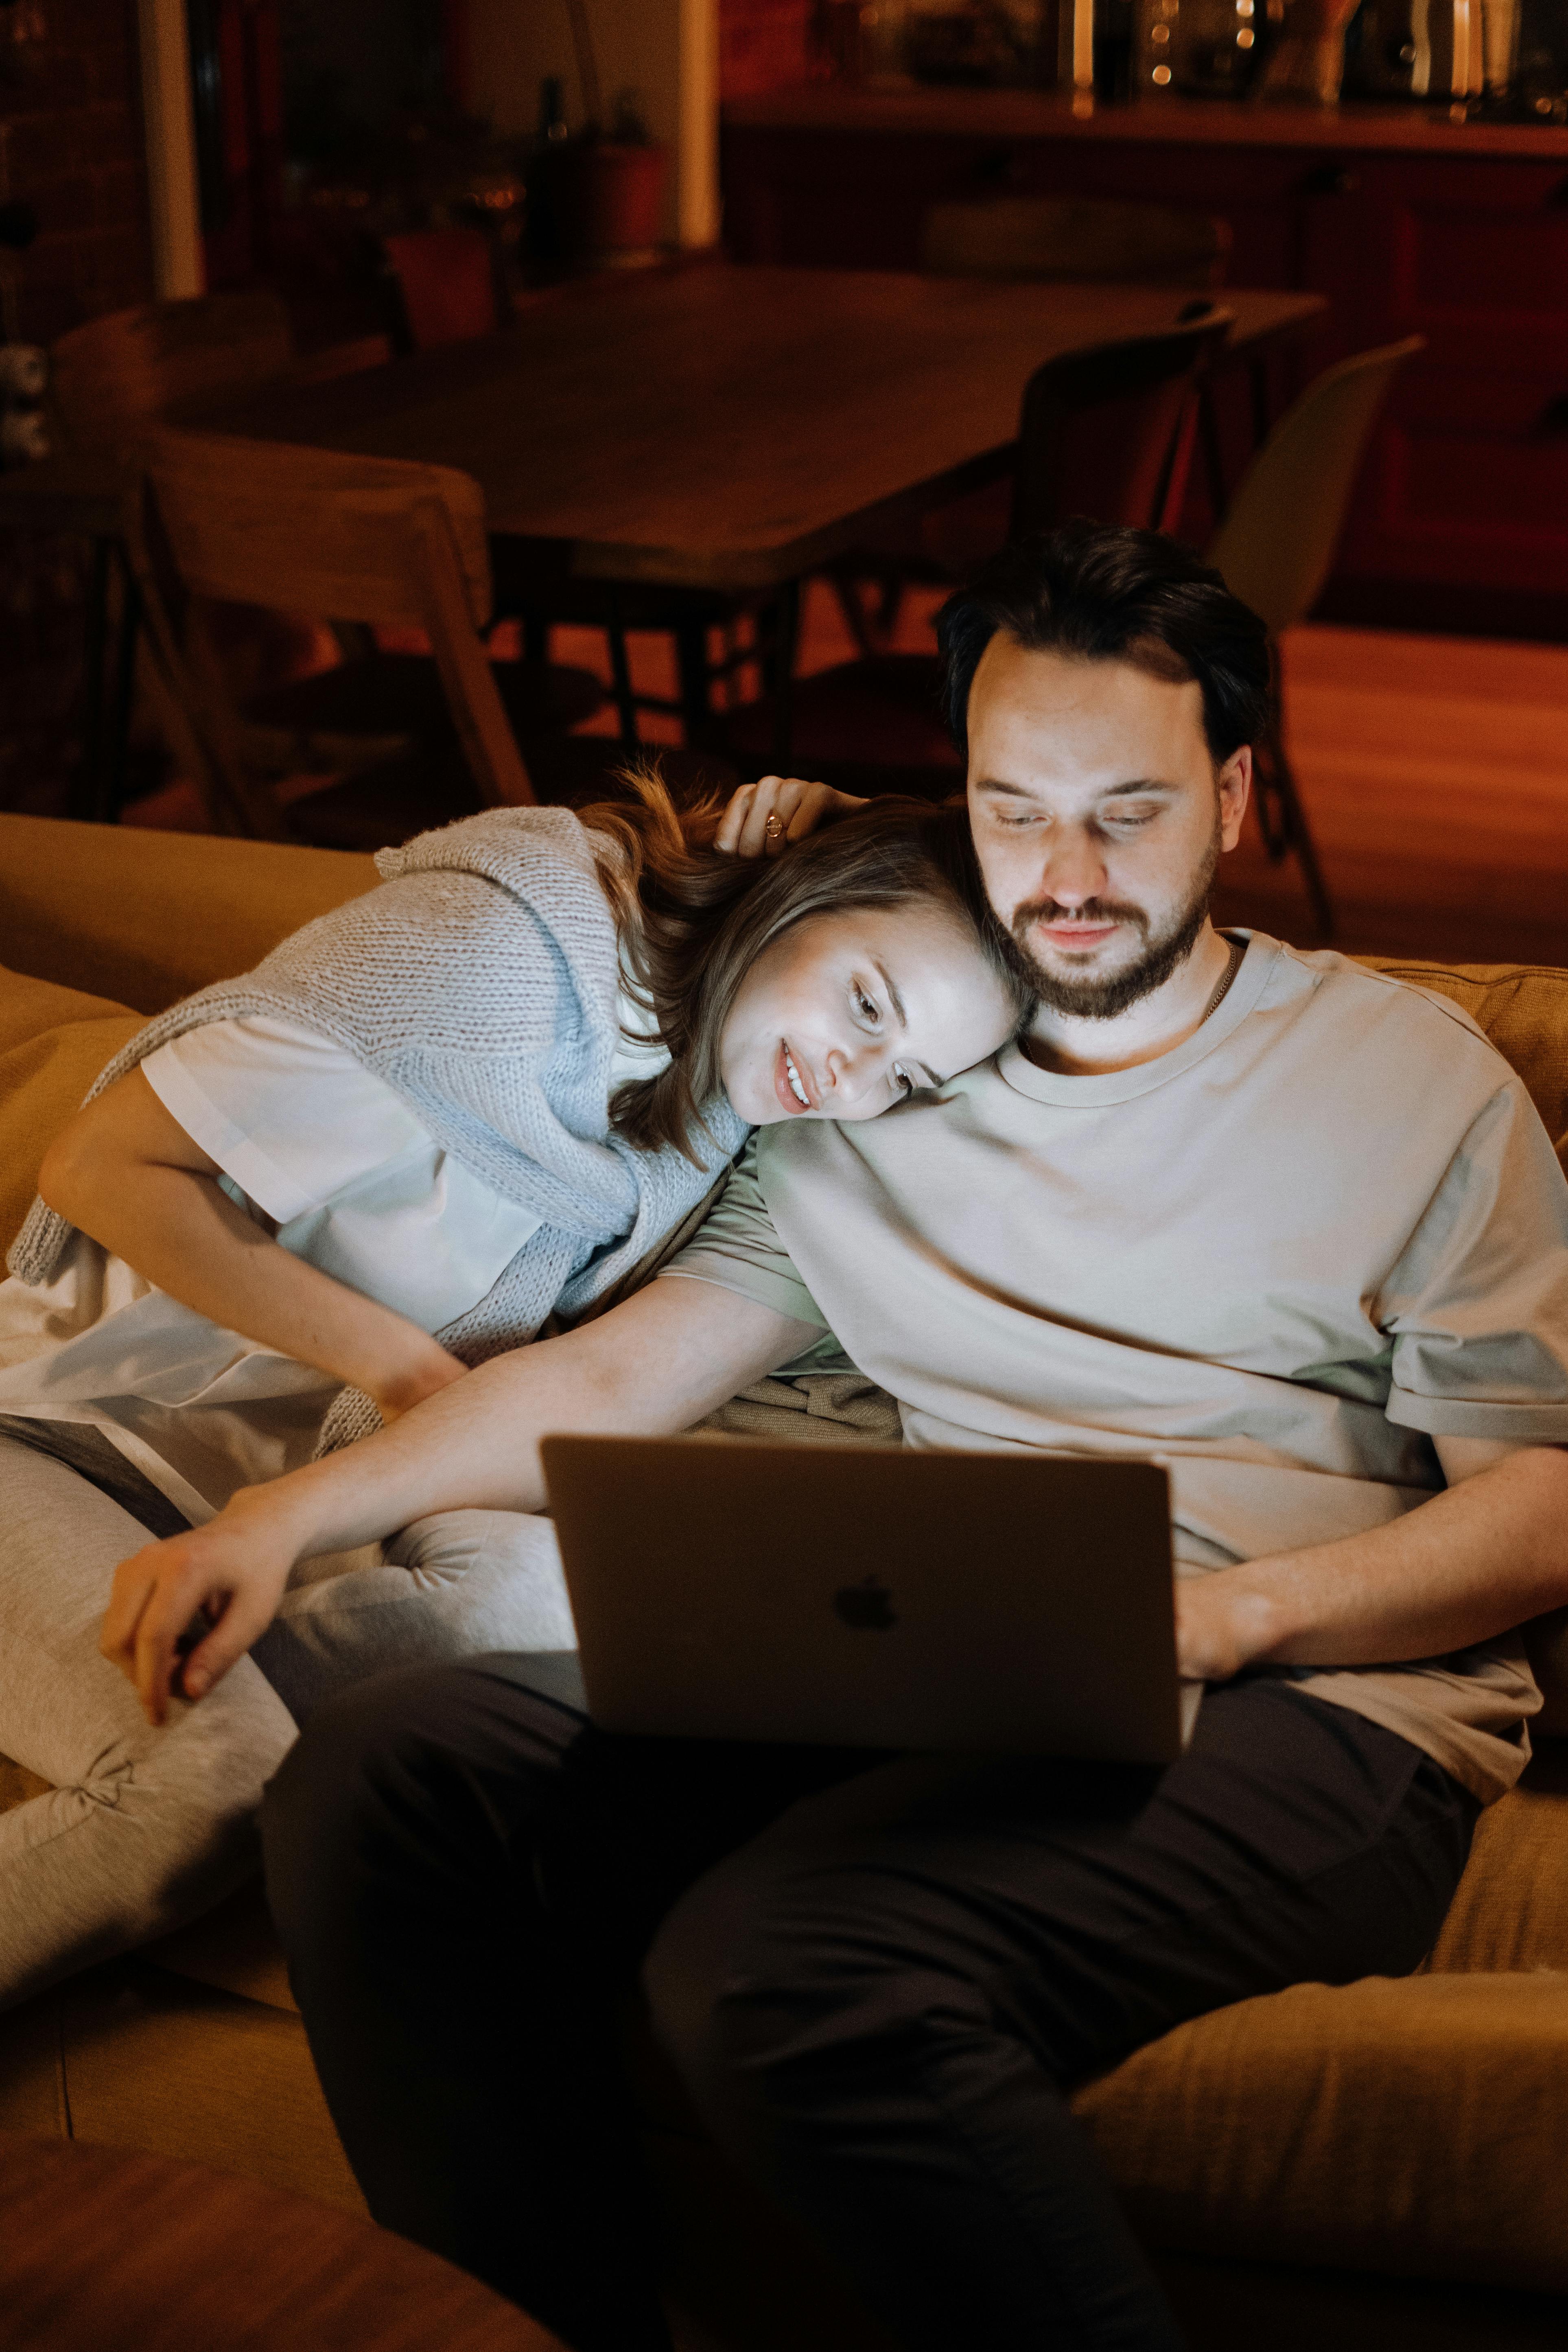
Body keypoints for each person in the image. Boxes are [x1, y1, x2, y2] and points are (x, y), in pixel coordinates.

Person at [117, 524, 1568, 2352]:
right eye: (1014, 806)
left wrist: (1235, 1618)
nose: (1068, 873)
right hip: (954, 1663)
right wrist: (282, 1515)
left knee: (782, 1965)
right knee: (384, 1776)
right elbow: (614, 1377)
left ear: (1235, 792)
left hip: (1319, 1710)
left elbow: (1545, 1498)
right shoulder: (882, 1084)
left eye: (1128, 808)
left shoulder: (1410, 1085)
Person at [0, 766, 1022, 2008]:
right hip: (61, 1434)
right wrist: (404, 1370)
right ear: (797, 897)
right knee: (211, 1776)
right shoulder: (490, 962)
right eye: (869, 1004)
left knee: (551, 1602)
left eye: (904, 1075)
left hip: (280, 1489)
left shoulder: (731, 1094)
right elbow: (104, 1163)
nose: (854, 1080)